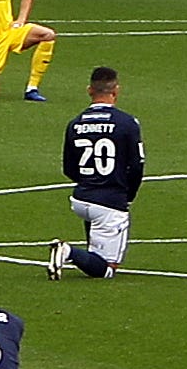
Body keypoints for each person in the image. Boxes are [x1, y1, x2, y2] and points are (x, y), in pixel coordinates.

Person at [55, 68, 142, 279]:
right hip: (109, 202)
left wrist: (89, 183)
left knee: (96, 252)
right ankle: (67, 252)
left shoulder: (76, 123)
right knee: (107, 269)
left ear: (89, 90)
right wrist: (127, 196)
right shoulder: (127, 123)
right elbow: (137, 166)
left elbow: (69, 168)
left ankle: (88, 253)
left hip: (81, 198)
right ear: (116, 90)